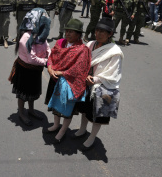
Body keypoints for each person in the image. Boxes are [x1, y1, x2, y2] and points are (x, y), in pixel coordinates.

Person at [73, 17, 124, 151]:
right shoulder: (90, 44)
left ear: (110, 34)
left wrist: (95, 80)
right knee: (84, 109)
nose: (99, 34)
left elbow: (112, 73)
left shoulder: (115, 51)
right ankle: (82, 129)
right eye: (97, 30)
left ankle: (92, 137)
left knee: (98, 115)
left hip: (102, 86)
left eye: (103, 31)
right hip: (86, 83)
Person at [44, 19, 91, 143]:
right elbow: (51, 57)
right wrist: (49, 67)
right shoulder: (60, 42)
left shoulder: (82, 49)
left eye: (72, 32)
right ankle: (55, 125)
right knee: (55, 105)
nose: (68, 34)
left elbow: (79, 69)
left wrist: (62, 73)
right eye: (67, 31)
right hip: (55, 81)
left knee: (67, 109)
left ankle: (62, 130)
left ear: (79, 35)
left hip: (69, 84)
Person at [8, 8, 51, 126]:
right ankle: (21, 113)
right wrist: (47, 62)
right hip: (25, 70)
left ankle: (31, 110)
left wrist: (50, 57)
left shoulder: (41, 35)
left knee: (33, 91)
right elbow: (32, 58)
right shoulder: (26, 38)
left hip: (36, 69)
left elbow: (47, 47)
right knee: (23, 93)